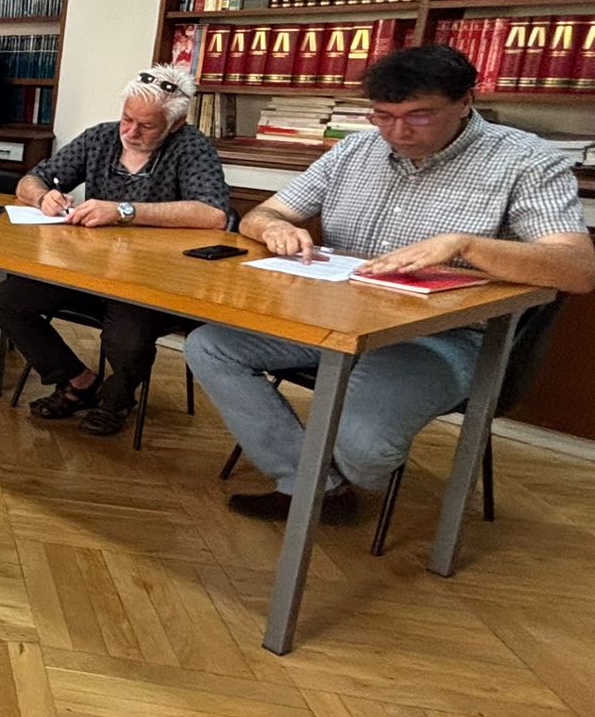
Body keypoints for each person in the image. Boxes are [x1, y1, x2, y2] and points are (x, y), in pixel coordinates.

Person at [187, 44, 595, 522]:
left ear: (466, 102)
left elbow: (578, 269)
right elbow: (264, 213)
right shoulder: (356, 149)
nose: (398, 132)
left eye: (420, 116)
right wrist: (273, 226)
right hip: (336, 317)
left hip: (439, 337)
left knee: (365, 450)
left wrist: (466, 246)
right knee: (211, 346)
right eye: (383, 116)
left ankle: (335, 471)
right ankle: (315, 485)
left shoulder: (525, 160)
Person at [0, 65, 230, 436]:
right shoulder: (101, 137)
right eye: (127, 119)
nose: (130, 132)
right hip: (88, 270)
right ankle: (78, 381)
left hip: (152, 280)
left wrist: (124, 211)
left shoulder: (191, 147)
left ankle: (118, 399)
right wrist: (43, 197)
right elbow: (31, 180)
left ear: (175, 124)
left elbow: (213, 214)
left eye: (146, 126)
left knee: (126, 339)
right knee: (3, 301)